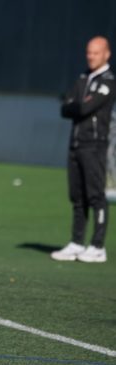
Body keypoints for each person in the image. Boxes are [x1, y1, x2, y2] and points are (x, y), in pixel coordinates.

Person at [52, 36, 116, 263]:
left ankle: (98, 246)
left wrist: (77, 105)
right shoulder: (82, 78)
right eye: (89, 52)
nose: (91, 56)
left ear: (106, 54)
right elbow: (65, 108)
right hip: (76, 143)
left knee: (96, 195)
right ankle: (77, 242)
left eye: (95, 53)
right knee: (77, 196)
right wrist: (76, 105)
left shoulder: (108, 81)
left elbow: (86, 106)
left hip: (95, 145)